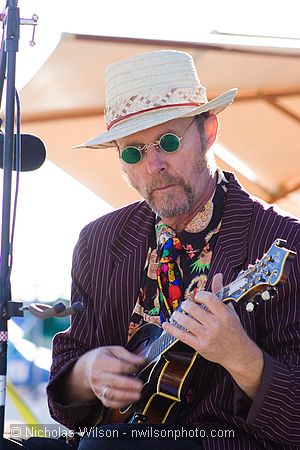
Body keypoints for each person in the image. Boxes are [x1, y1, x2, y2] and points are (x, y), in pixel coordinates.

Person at [46, 50, 300, 450]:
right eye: (134, 151)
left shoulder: (285, 244)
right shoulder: (99, 242)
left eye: (167, 141)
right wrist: (88, 373)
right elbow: (66, 390)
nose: (154, 164)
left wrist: (242, 357)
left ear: (209, 131)